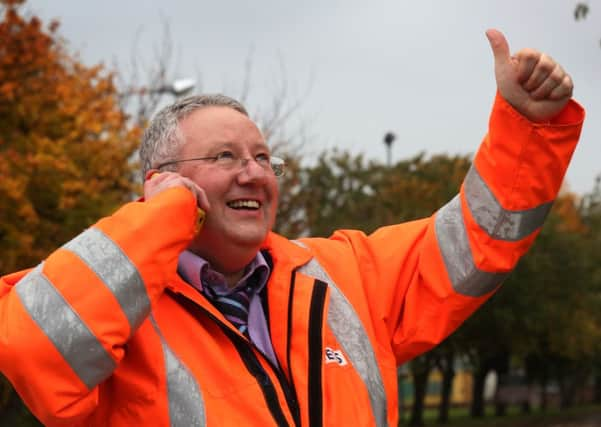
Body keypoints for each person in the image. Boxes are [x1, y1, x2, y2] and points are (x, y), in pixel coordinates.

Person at [0, 29, 585, 427]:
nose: (255, 173)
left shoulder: (344, 274)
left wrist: (526, 129)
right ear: (161, 182)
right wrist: (166, 217)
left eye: (263, 158)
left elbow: (477, 241)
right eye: (226, 157)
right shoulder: (115, 312)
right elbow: (34, 350)